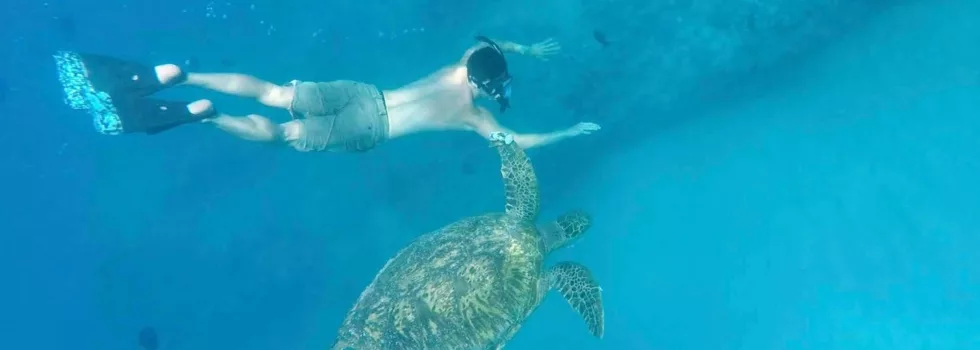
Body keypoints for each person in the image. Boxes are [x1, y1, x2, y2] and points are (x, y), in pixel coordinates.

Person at [53, 36, 600, 152]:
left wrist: (523, 50)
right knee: (282, 135)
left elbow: (484, 45)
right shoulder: (473, 115)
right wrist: (567, 132)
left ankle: (184, 77)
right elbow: (519, 143)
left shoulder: (458, 68)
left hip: (365, 94)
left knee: (271, 92)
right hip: (370, 129)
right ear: (489, 87)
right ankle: (204, 116)